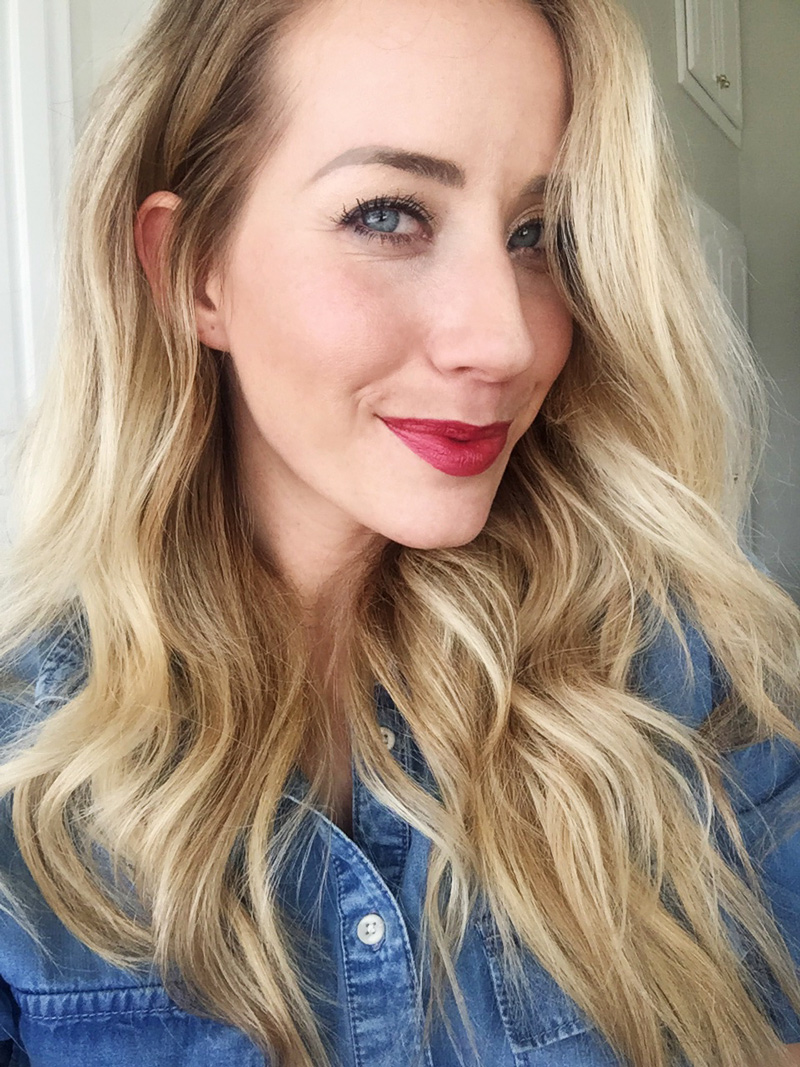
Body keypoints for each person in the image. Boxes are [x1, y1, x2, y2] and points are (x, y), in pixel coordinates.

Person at [0, 0, 799, 1063]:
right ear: (190, 269)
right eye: (388, 215)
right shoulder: (26, 781)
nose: (504, 339)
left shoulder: (684, 679)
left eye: (538, 235)